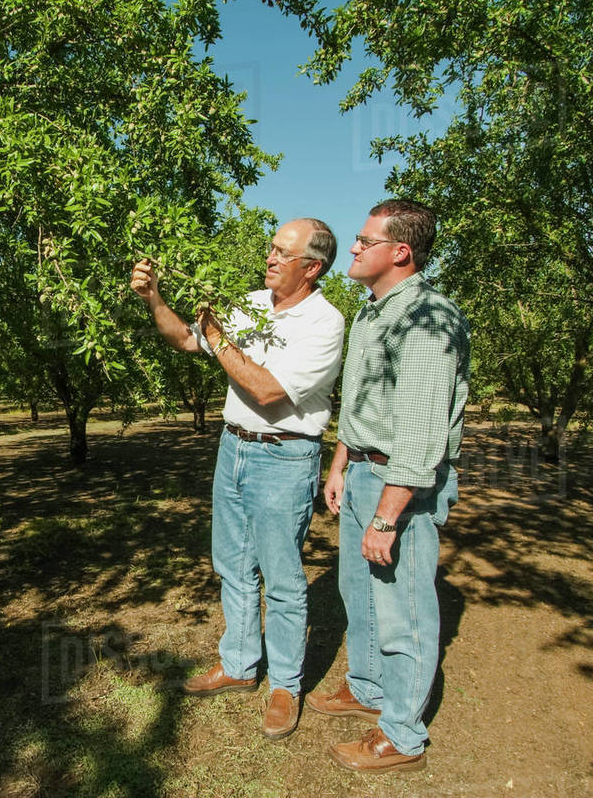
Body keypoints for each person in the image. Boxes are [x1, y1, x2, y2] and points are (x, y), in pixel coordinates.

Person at [130, 218, 344, 740]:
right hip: (235, 449)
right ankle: (241, 664)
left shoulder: (325, 322)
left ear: (312, 267)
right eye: (270, 248)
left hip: (283, 458)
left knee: (284, 580)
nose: (269, 258)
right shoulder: (250, 304)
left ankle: (286, 687)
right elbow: (186, 339)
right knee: (232, 565)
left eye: (282, 253)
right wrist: (155, 297)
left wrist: (218, 337)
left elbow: (268, 391)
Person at [304, 200, 470, 772]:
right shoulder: (372, 313)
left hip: (401, 484)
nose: (351, 248)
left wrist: (386, 515)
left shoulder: (429, 317)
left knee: (403, 613)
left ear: (400, 251)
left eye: (363, 240)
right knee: (360, 594)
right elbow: (363, 401)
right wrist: (340, 464)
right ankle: (368, 688)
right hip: (363, 473)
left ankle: (402, 735)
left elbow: (422, 429)